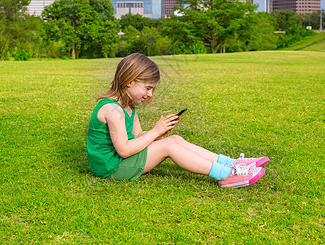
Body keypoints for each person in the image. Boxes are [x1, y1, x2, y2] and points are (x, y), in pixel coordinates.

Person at [86, 53, 269, 188]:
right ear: (129, 81)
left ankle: (232, 163)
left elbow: (138, 135)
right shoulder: (112, 109)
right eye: (148, 88)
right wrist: (155, 133)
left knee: (174, 140)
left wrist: (159, 133)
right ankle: (226, 175)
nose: (150, 94)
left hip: (119, 161)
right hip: (112, 168)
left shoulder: (128, 106)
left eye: (153, 90)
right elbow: (124, 150)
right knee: (169, 146)